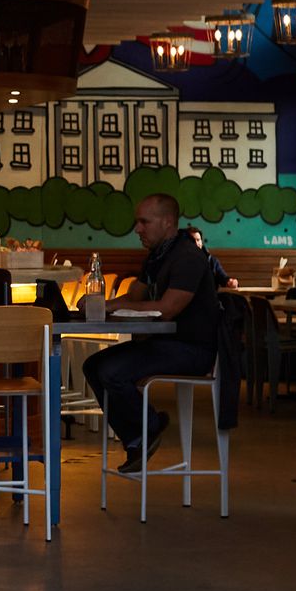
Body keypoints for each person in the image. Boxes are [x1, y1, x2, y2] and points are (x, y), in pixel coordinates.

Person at [80, 194, 221, 474]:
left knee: (111, 370)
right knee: (93, 366)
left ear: (168, 222)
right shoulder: (157, 256)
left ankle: (148, 429)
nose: (137, 229)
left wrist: (118, 305)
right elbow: (135, 296)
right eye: (137, 222)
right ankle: (137, 437)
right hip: (165, 344)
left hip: (193, 350)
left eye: (144, 222)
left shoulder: (187, 257)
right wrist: (106, 304)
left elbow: (167, 309)